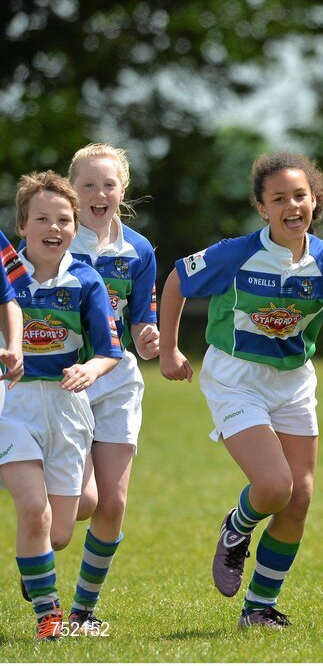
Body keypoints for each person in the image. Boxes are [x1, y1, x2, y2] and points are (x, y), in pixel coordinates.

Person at [159, 151, 323, 629]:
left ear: (315, 202)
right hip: (235, 378)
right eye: (279, 198)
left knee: (299, 498)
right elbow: (177, 282)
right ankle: (237, 526)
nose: (292, 205)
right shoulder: (237, 253)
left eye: (300, 196)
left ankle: (258, 609)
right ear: (262, 208)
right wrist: (168, 351)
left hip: (294, 383)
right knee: (273, 487)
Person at [0, 171, 121, 640]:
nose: (54, 228)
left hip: (69, 411)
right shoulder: (7, 278)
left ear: (75, 228)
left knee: (58, 534)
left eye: (64, 220)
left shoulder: (87, 281)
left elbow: (111, 350)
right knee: (34, 511)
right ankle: (49, 621)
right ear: (22, 226)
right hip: (15, 404)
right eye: (42, 218)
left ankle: (33, 565)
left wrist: (90, 369)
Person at [64, 144, 160, 634]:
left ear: (121, 192)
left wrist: (148, 337)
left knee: (113, 503)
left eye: (108, 185)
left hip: (118, 380)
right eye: (88, 185)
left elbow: (144, 321)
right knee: (79, 504)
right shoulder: (54, 241)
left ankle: (82, 612)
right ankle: (36, 555)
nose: (99, 194)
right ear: (72, 191)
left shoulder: (139, 250)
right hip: (67, 382)